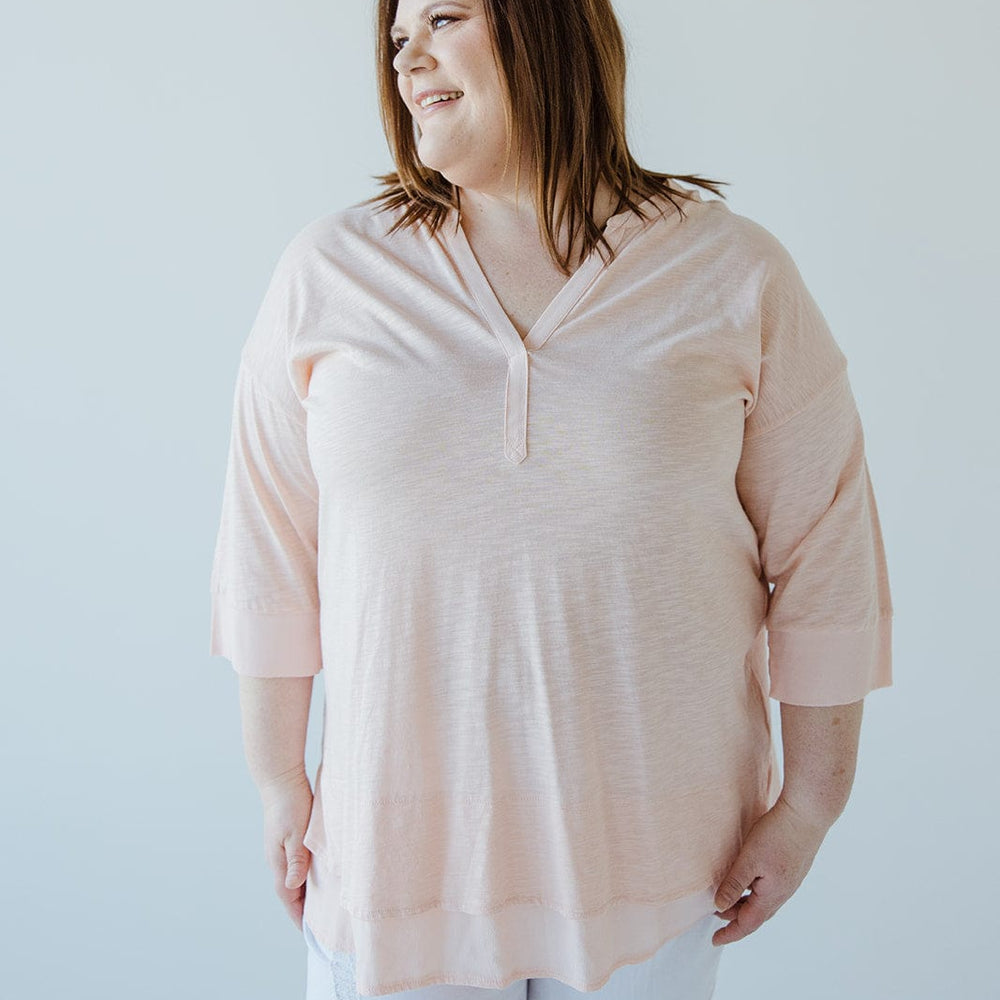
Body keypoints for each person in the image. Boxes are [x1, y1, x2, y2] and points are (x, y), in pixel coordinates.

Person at [208, 0, 895, 996]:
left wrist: (809, 804)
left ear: (548, 26)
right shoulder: (329, 274)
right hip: (392, 865)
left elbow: (826, 550)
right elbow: (268, 550)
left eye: (443, 17)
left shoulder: (732, 273)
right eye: (397, 37)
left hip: (656, 870)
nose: (409, 57)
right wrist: (279, 784)